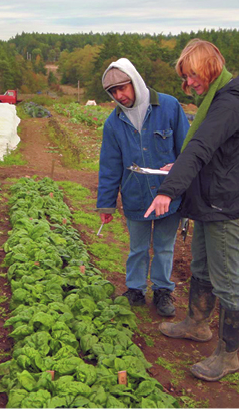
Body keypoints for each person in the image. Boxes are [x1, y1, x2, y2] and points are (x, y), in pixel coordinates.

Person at [145, 39, 239, 381]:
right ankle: (197, 324)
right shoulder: (216, 99)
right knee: (201, 266)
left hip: (225, 205)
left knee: (229, 281)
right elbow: (204, 153)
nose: (188, 84)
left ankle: (229, 355)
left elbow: (200, 146)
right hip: (207, 200)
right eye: (185, 79)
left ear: (208, 68)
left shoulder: (228, 101)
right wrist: (178, 168)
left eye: (191, 76)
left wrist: (169, 190)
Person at [96, 58, 189, 316]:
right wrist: (106, 203)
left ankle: (162, 290)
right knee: (137, 247)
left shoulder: (168, 107)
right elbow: (110, 166)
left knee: (163, 246)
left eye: (123, 88)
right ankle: (135, 289)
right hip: (135, 196)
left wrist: (183, 179)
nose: (119, 95)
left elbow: (187, 150)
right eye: (113, 92)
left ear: (135, 82)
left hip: (168, 196)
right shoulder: (113, 123)